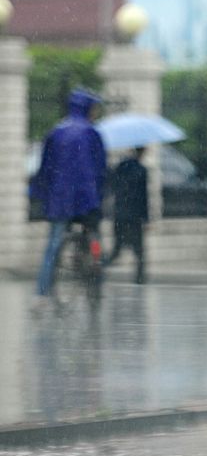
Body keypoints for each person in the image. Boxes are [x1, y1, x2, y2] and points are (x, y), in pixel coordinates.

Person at [30, 89, 106, 305]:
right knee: (94, 235)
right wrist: (100, 194)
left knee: (53, 246)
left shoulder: (56, 132)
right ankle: (95, 271)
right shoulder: (92, 132)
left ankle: (41, 293)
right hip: (86, 198)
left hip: (60, 199)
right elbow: (101, 168)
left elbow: (45, 167)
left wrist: (38, 193)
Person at [103, 146, 148, 284]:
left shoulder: (120, 167)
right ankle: (139, 279)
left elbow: (111, 186)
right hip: (134, 216)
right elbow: (143, 197)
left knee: (116, 250)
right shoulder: (141, 170)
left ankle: (99, 269)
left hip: (120, 214)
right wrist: (146, 218)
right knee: (139, 250)